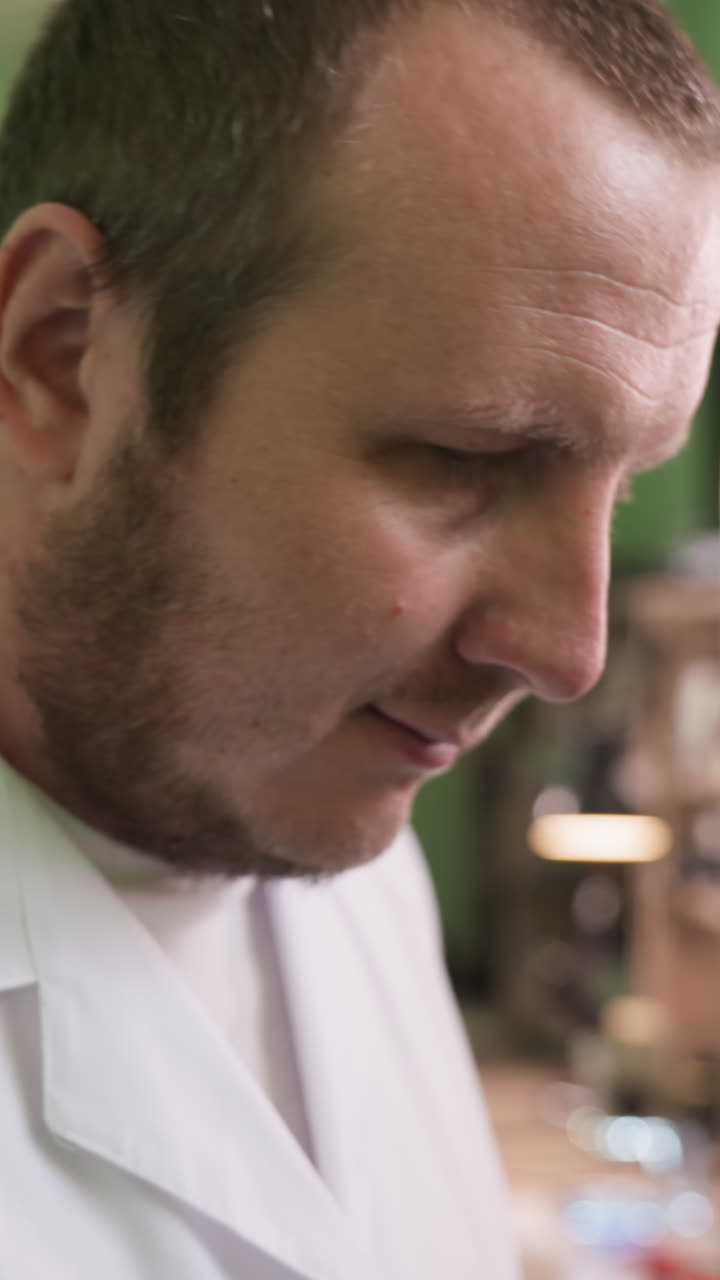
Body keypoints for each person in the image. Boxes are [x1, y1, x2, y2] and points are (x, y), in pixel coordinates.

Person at [0, 0, 718, 1275]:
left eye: (619, 487)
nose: (569, 653)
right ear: (58, 357)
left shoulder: (331, 813)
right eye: (468, 457)